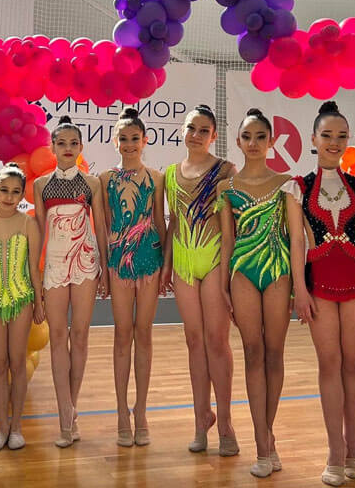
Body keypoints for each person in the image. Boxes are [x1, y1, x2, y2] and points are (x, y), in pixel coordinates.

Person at [284, 101, 355, 486]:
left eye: (341, 136)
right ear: (313, 139)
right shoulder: (298, 188)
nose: (334, 141)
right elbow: (297, 241)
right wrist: (299, 289)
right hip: (318, 285)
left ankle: (354, 448)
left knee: (352, 365)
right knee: (329, 364)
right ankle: (334, 452)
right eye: (327, 135)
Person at [216, 109, 291, 477]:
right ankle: (262, 445)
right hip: (242, 272)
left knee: (274, 352)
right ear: (238, 141)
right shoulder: (226, 189)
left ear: (272, 141)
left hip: (278, 270)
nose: (254, 143)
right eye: (247, 137)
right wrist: (223, 285)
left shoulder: (287, 184)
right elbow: (227, 240)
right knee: (252, 352)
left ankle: (268, 434)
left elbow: (294, 237)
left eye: (261, 136)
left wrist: (298, 285)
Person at [164, 104, 238, 456]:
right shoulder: (170, 174)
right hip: (183, 261)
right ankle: (201, 418)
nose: (195, 135)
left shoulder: (225, 170)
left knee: (216, 340)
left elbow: (230, 226)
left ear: (213, 136)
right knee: (194, 340)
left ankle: (225, 423)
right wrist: (167, 265)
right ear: (183, 130)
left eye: (203, 130)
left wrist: (227, 273)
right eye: (191, 128)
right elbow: (174, 222)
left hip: (214, 260)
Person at [32, 115, 109, 447]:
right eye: (61, 143)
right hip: (54, 264)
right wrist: (36, 275)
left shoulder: (92, 183)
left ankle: (70, 410)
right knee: (57, 336)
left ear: (81, 147)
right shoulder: (40, 185)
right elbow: (38, 233)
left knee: (79, 335)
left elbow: (100, 226)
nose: (67, 148)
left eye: (73, 143)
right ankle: (65, 409)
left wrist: (105, 267)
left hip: (86, 262)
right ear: (52, 147)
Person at [98, 107, 166, 447]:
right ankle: (121, 412)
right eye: (123, 139)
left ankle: (141, 411)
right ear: (115, 141)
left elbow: (160, 221)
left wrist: (165, 266)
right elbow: (105, 225)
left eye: (134, 138)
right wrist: (104, 268)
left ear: (145, 140)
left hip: (149, 260)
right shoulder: (105, 179)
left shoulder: (157, 178)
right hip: (118, 263)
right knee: (122, 334)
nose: (129, 144)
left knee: (144, 333)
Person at [0, 163, 44, 451]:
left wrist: (39, 302)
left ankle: (17, 427)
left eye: (15, 192)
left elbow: (34, 268)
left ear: (22, 196)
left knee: (17, 362)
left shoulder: (29, 224)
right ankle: (2, 427)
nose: (9, 196)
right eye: (4, 190)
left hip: (21, 300)